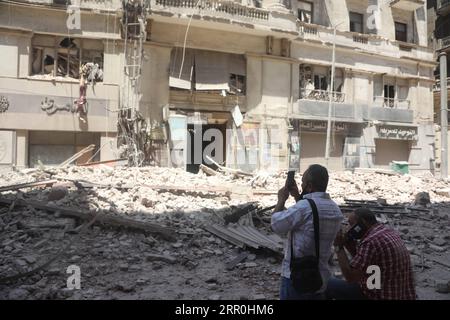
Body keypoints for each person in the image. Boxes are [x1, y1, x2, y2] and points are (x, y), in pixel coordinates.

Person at [271, 164, 343, 300]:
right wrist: (297, 196)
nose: (301, 185)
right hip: (320, 278)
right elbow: (312, 218)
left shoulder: (304, 207)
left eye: (303, 182)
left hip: (297, 278)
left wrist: (281, 200)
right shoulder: (335, 209)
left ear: (309, 186)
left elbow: (276, 224)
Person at [326, 208, 416, 300]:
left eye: (351, 224)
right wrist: (349, 245)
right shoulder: (387, 232)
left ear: (362, 223)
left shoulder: (370, 242)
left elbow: (350, 276)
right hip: (397, 293)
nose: (349, 228)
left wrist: (339, 247)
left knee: (327, 284)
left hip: (379, 295)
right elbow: (364, 264)